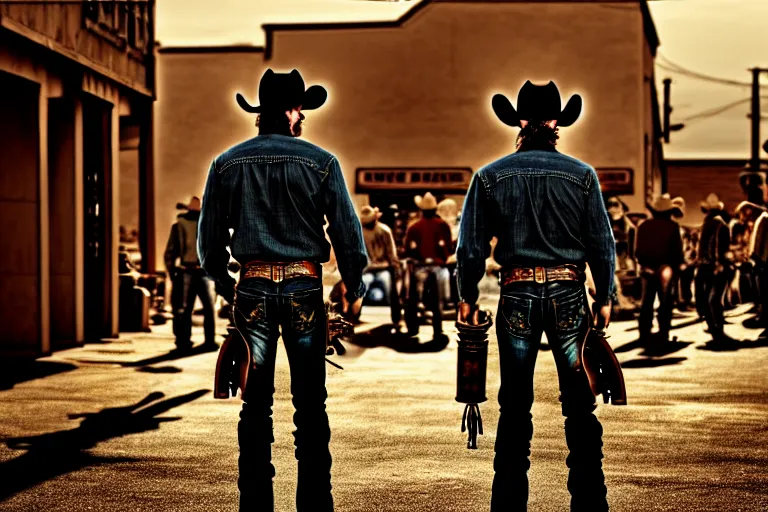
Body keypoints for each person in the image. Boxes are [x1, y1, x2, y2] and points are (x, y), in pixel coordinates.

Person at [198, 68, 367, 512]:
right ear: (293, 112)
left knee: (255, 405)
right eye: (300, 110)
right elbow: (349, 236)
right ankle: (314, 504)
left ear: (259, 114)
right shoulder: (321, 162)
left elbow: (209, 243)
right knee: (310, 405)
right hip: (303, 287)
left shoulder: (226, 163)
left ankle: (255, 503)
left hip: (252, 287)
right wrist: (354, 285)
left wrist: (226, 281)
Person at [457, 80, 616, 511]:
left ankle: (508, 504)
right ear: (555, 123)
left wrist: (467, 295)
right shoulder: (582, 176)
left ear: (521, 123)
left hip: (517, 292)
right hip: (568, 291)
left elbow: (470, 246)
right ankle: (589, 503)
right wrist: (605, 295)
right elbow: (601, 242)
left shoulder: (490, 176)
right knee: (579, 404)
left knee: (515, 404)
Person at [164, 196, 218, 351]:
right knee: (185, 309)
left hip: (202, 271)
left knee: (206, 308)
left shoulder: (208, 226)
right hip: (188, 270)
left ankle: (206, 341)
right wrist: (172, 271)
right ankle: (184, 341)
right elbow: (171, 252)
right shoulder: (180, 226)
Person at [634, 194, 684, 344]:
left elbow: (638, 251)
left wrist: (644, 264)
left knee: (646, 302)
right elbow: (677, 252)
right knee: (665, 302)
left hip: (647, 268)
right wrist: (677, 267)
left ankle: (644, 333)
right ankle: (663, 333)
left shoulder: (643, 226)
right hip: (666, 269)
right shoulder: (673, 226)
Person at [403, 191, 453, 338]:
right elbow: (449, 248)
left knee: (411, 295)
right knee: (441, 298)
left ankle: (413, 326)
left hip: (420, 266)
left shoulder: (414, 227)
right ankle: (438, 327)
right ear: (435, 209)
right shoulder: (443, 225)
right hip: (439, 266)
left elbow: (407, 251)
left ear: (421, 210)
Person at [695, 193, 732, 343]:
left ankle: (715, 329)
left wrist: (715, 262)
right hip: (713, 265)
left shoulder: (712, 222)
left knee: (711, 298)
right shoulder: (717, 222)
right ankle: (717, 330)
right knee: (714, 299)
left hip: (709, 265)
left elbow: (712, 245)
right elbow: (715, 245)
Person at [359, 205, 402, 328]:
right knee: (360, 288)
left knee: (391, 289)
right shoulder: (360, 232)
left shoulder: (384, 231)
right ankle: (355, 315)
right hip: (367, 269)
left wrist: (394, 265)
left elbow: (391, 252)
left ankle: (396, 317)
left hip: (384, 268)